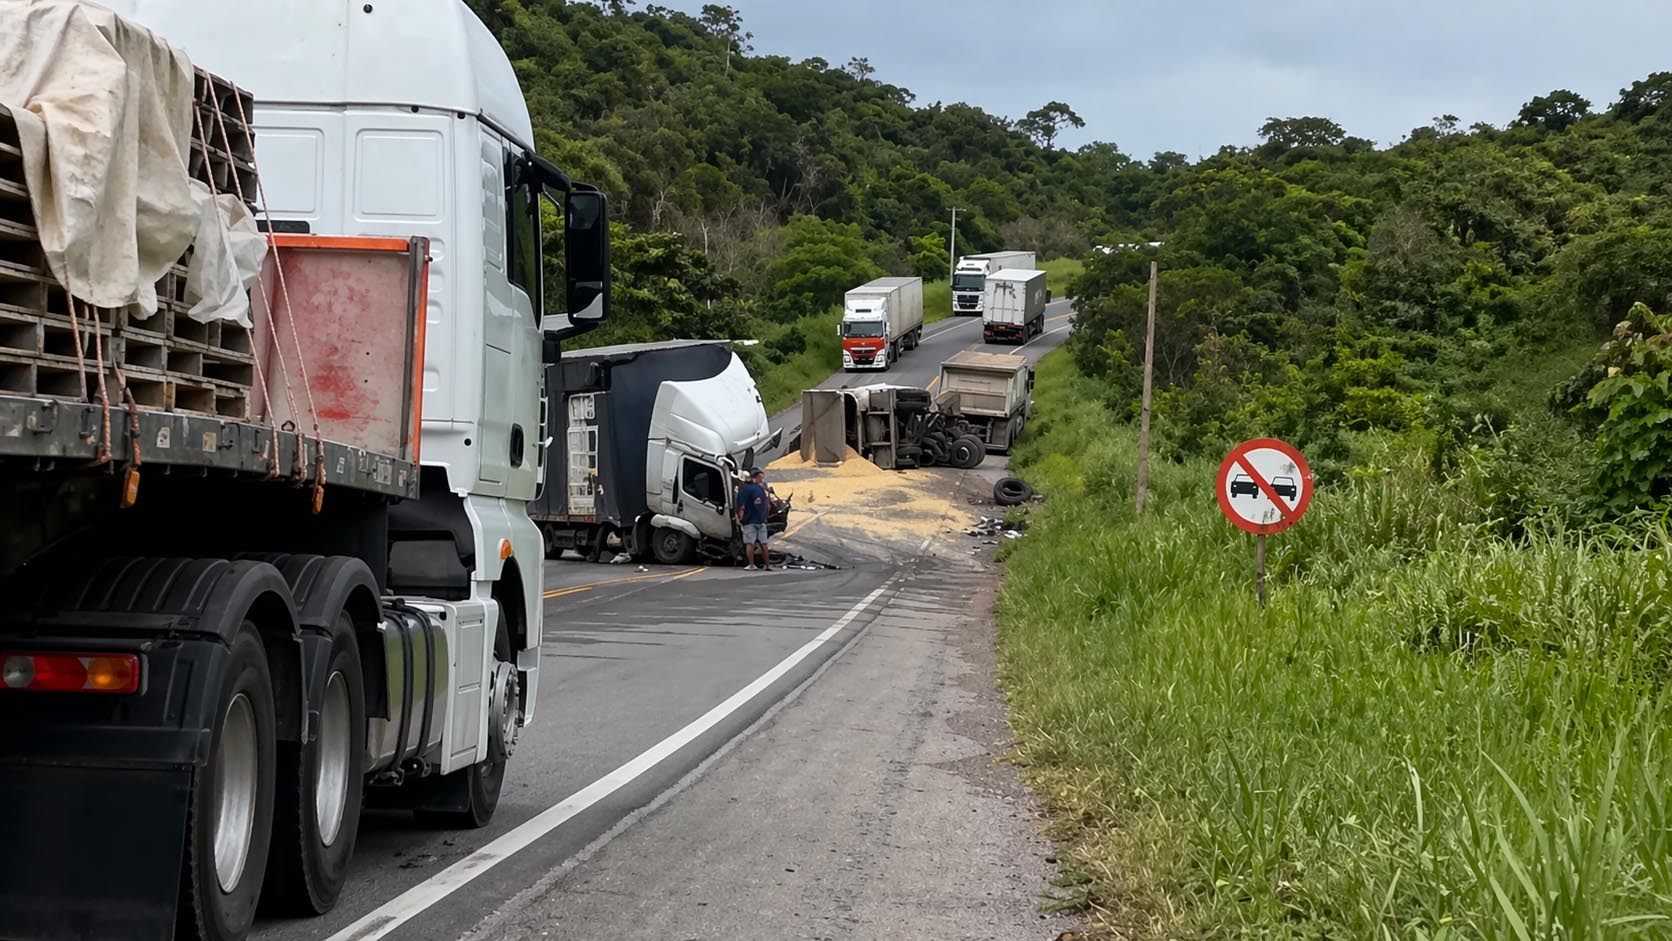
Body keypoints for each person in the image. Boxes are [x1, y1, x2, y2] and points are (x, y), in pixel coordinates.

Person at [736, 466, 771, 570]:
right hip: (761, 521)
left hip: (749, 522)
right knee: (763, 544)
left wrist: (740, 518)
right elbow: (768, 505)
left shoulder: (743, 490)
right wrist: (764, 517)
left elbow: (741, 506)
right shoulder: (760, 488)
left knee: (749, 543)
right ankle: (767, 565)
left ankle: (751, 565)